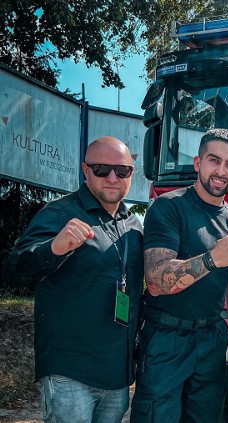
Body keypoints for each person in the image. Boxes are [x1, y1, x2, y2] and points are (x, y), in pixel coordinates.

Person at [3, 137, 144, 423]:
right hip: (70, 371)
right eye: (102, 169)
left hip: (117, 373)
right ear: (85, 170)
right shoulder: (59, 213)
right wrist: (53, 248)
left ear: (132, 173)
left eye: (122, 171)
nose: (113, 177)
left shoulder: (133, 224)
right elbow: (13, 270)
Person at [130, 128, 228, 422]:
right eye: (214, 160)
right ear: (198, 163)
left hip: (212, 339)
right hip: (166, 338)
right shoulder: (169, 207)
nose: (221, 171)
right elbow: (157, 281)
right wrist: (211, 259)